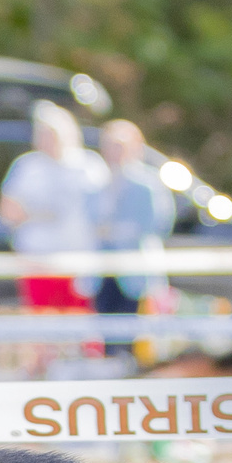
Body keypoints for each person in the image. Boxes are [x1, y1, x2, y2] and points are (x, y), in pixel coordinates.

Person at [0, 102, 109, 311]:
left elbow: (106, 211)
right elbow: (7, 211)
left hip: (79, 263)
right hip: (37, 260)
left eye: (53, 133)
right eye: (43, 134)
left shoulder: (89, 166)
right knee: (43, 321)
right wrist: (36, 214)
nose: (48, 139)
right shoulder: (27, 166)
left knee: (78, 319)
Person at [90, 120, 176, 316]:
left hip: (137, 273)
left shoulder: (149, 184)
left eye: (119, 146)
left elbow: (160, 224)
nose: (114, 152)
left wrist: (119, 231)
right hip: (104, 273)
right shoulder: (96, 182)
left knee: (139, 326)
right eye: (109, 145)